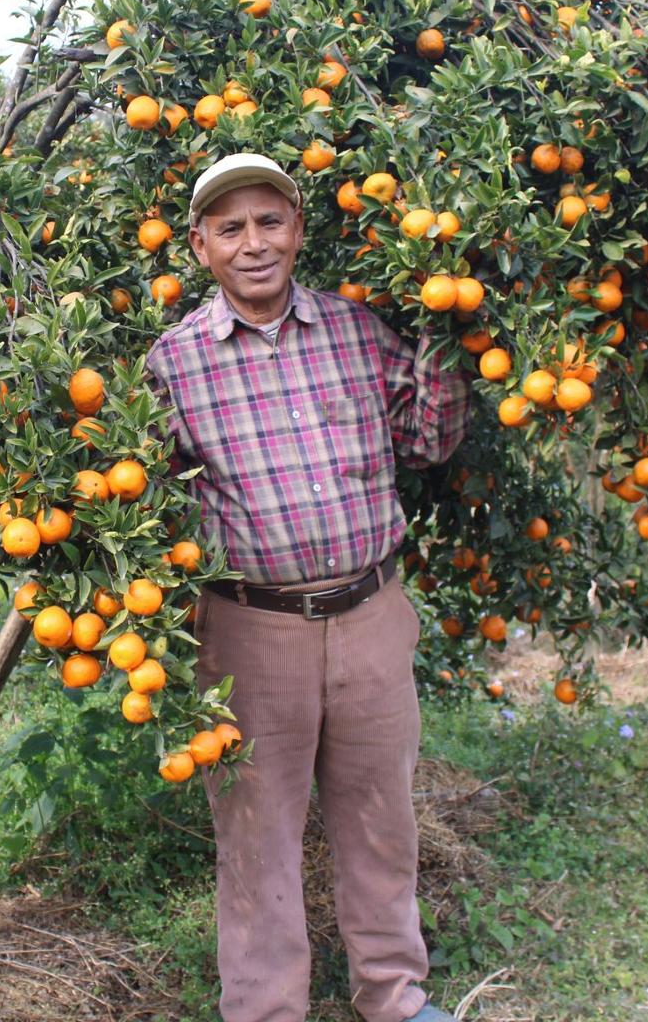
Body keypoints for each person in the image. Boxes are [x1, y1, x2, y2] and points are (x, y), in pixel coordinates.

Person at [143, 153, 470, 1022]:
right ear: (201, 246)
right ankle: (263, 1008)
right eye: (230, 228)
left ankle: (394, 996)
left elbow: (429, 444)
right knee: (256, 837)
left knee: (380, 820)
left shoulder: (359, 331)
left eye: (268, 221)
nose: (253, 244)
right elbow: (144, 505)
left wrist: (448, 335)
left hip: (369, 613)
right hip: (250, 631)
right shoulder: (171, 366)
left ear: (296, 226)